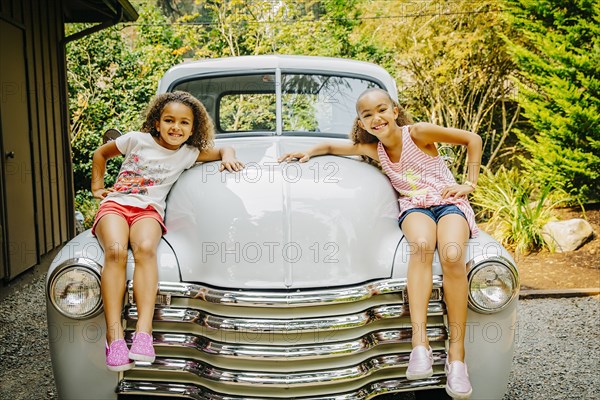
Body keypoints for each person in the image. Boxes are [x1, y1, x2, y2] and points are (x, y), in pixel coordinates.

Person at [278, 87, 481, 399]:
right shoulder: (376, 150)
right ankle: (420, 345)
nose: (376, 118)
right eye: (367, 114)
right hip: (414, 207)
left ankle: (457, 358)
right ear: (361, 122)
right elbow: (334, 146)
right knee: (422, 247)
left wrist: (468, 182)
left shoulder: (419, 133)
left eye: (382, 110)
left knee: (453, 256)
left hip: (447, 201)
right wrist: (308, 153)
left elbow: (473, 139)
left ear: (395, 111)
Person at [91, 91, 244, 372]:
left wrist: (229, 155)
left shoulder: (189, 153)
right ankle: (113, 337)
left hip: (148, 211)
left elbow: (224, 149)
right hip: (116, 205)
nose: (176, 127)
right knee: (114, 252)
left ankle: (143, 334)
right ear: (157, 122)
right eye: (169, 120)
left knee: (146, 249)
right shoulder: (135, 140)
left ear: (193, 129)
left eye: (184, 123)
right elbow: (101, 153)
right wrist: (97, 187)